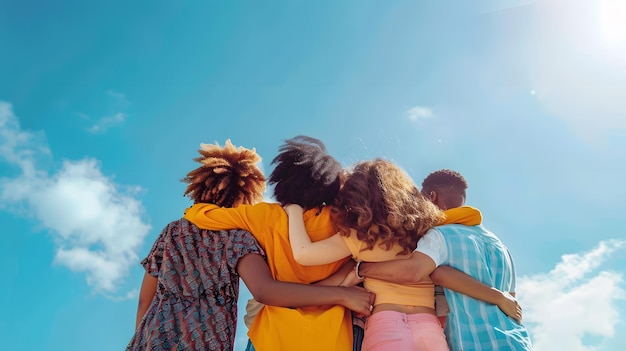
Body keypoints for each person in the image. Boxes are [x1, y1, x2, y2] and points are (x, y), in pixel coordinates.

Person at [126, 140, 374, 351]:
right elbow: (265, 289)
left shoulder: (250, 220)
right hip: (325, 336)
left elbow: (144, 300)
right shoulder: (344, 223)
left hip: (162, 335)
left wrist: (142, 337)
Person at [356, 169, 534, 350]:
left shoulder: (440, 235)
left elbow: (416, 270)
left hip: (475, 342)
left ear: (431, 196)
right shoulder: (501, 247)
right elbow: (511, 303)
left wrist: (361, 268)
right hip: (516, 341)